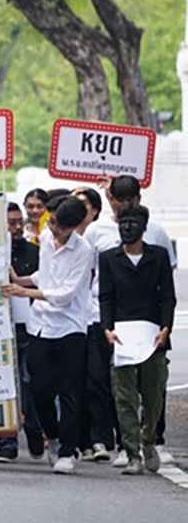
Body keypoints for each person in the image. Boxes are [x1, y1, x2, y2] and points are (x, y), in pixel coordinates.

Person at [87, 175, 178, 467]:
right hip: (121, 331)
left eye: (133, 223)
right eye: (123, 223)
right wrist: (107, 328)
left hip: (153, 331)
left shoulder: (159, 252)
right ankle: (131, 452)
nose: (127, 228)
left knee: (153, 394)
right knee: (123, 395)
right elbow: (105, 295)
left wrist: (165, 328)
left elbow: (168, 295)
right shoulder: (108, 256)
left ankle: (150, 439)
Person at [3, 196, 94, 475]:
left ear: (75, 226)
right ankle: (52, 436)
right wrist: (20, 279)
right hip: (40, 324)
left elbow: (66, 293)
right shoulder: (44, 237)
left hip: (70, 326)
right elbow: (45, 274)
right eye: (52, 222)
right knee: (39, 388)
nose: (54, 230)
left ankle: (67, 450)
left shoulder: (84, 251)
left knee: (69, 391)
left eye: (60, 227)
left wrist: (26, 292)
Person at [68, 187, 116, 463]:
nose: (79, 207)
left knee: (98, 379)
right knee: (74, 381)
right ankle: (80, 440)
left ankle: (101, 438)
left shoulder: (97, 236)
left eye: (84, 203)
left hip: (95, 316)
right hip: (69, 319)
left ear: (95, 210)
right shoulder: (56, 239)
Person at [0, 202, 42, 462]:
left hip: (29, 327)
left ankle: (34, 427)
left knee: (28, 382)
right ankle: (7, 441)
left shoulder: (35, 252)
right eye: (10, 223)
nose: (16, 228)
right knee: (3, 384)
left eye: (18, 222)